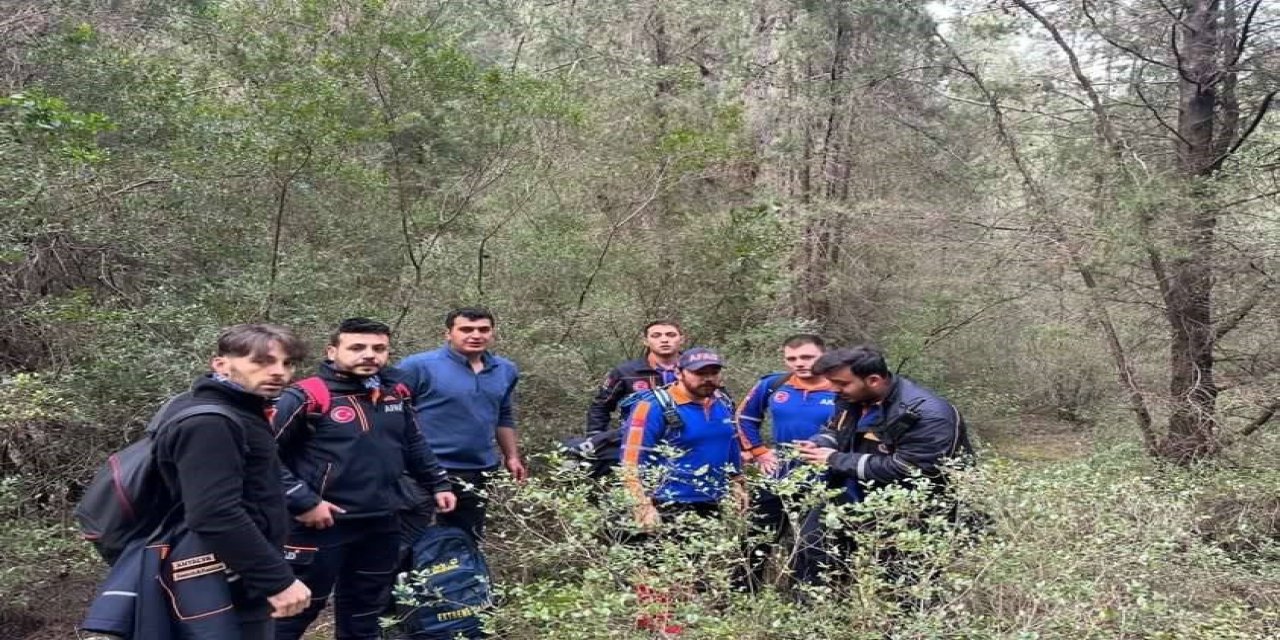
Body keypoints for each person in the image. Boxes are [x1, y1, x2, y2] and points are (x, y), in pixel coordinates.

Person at [271, 318, 458, 640]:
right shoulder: (306, 396)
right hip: (318, 524)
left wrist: (437, 482)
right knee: (296, 610)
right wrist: (304, 501)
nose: (369, 355)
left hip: (382, 520)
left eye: (378, 348)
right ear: (332, 351)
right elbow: (262, 457)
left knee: (365, 611)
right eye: (357, 347)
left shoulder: (394, 392)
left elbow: (413, 442)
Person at [152, 324, 312, 639]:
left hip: (232, 578)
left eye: (287, 363)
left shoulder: (241, 411)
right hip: (220, 583)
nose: (279, 372)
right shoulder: (212, 422)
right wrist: (277, 580)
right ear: (221, 364)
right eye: (263, 362)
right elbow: (214, 513)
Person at [793, 345, 972, 585]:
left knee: (902, 576)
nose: (833, 389)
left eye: (841, 384)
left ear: (874, 380)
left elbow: (911, 469)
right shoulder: (852, 398)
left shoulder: (928, 414)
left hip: (909, 509)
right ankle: (817, 614)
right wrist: (819, 444)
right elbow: (836, 430)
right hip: (848, 492)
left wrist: (833, 459)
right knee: (812, 546)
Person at [397, 307, 524, 541]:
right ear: (448, 333)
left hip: (478, 470)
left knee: (465, 540)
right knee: (408, 540)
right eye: (466, 329)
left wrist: (512, 456)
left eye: (483, 330)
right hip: (424, 470)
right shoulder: (417, 366)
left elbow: (503, 414)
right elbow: (393, 412)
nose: (475, 335)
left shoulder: (505, 369)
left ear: (492, 333)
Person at [733, 334, 837, 589]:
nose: (799, 363)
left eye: (807, 357)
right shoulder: (773, 384)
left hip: (823, 470)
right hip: (778, 469)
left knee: (811, 540)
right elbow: (744, 417)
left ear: (823, 355)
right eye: (792, 358)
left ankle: (805, 597)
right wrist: (759, 451)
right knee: (756, 534)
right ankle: (743, 593)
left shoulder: (840, 386)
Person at [620, 347, 744, 527]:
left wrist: (737, 483)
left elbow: (731, 444)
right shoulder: (653, 407)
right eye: (699, 373)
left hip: (716, 500)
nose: (708, 378)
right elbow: (631, 460)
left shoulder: (723, 402)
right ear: (678, 373)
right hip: (668, 504)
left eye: (713, 372)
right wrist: (642, 506)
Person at [586, 320, 685, 436]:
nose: (664, 340)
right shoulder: (625, 372)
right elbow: (601, 406)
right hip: (639, 437)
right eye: (656, 336)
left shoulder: (698, 369)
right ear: (646, 341)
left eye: (671, 335)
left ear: (682, 339)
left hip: (690, 436)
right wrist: (595, 438)